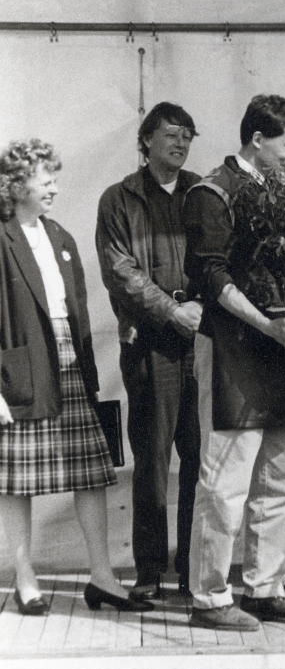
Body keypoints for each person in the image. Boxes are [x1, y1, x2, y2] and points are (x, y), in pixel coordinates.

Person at [182, 94, 285, 630]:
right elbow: (211, 278)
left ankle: (265, 588)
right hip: (234, 350)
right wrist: (266, 326)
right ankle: (210, 598)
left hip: (281, 350)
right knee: (225, 483)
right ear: (256, 140)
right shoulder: (210, 193)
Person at [0, 140, 152, 615]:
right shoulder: (0, 236)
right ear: (17, 184)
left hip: (68, 365)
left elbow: (76, 307)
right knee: (15, 481)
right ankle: (25, 576)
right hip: (23, 370)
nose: (55, 189)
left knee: (90, 474)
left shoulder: (60, 236)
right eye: (46, 180)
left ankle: (102, 577)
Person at [96, 102, 202, 600]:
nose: (180, 144)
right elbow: (119, 271)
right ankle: (151, 569)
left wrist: (202, 307)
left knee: (203, 462)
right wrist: (169, 310)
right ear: (146, 141)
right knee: (154, 461)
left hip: (203, 343)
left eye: (187, 137)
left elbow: (216, 255)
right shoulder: (120, 198)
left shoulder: (202, 193)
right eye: (171, 136)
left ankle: (196, 567)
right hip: (150, 344)